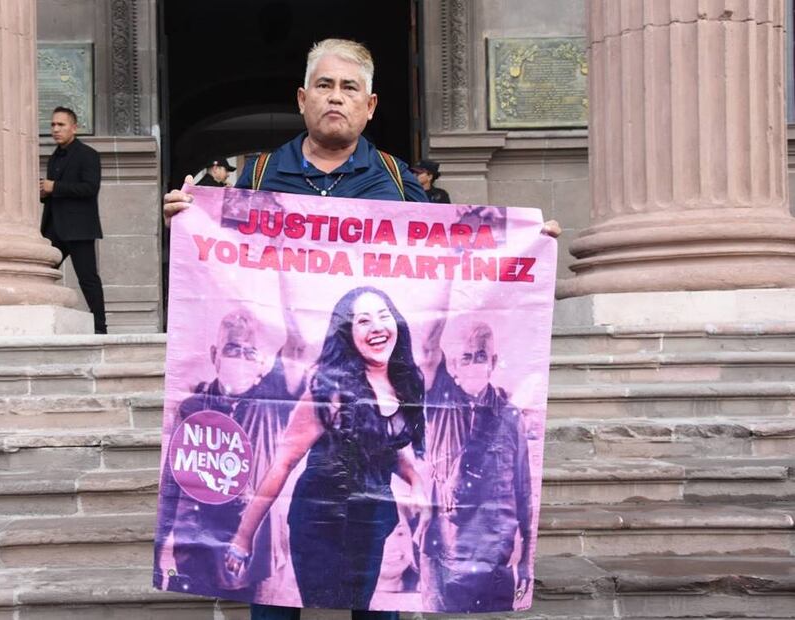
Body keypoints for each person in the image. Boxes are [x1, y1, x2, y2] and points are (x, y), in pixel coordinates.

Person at [162, 37, 561, 620]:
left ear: (370, 107)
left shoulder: (398, 184)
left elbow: (446, 268)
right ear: (302, 99)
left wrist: (524, 248)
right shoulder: (254, 176)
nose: (336, 98)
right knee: (276, 604)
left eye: (350, 88)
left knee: (379, 610)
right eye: (324, 86)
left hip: (372, 506)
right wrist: (188, 217)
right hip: (312, 489)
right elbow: (224, 266)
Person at [226, 286, 430, 615]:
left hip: (372, 518)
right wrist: (242, 539)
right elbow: (282, 464)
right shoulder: (329, 392)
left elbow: (390, 446)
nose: (376, 326)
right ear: (348, 334)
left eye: (383, 316)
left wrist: (415, 481)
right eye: (362, 321)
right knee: (283, 603)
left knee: (376, 606)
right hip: (320, 521)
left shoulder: (405, 382)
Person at [155, 300, 309, 600]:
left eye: (249, 352)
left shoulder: (272, 400)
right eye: (232, 349)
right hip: (198, 548)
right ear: (215, 355)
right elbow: (172, 482)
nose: (240, 358)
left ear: (262, 361)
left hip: (258, 555)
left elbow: (297, 344)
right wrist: (162, 546)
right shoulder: (193, 407)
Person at [420, 321, 533, 613]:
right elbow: (427, 345)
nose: (473, 364)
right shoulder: (437, 404)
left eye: (480, 356)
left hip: (494, 553)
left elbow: (524, 493)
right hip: (444, 551)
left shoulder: (509, 417)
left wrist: (527, 560)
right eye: (465, 357)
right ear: (453, 364)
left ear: (493, 361)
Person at [40, 106, 107, 334]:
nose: (56, 129)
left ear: (74, 128)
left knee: (88, 279)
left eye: (61, 125)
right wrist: (45, 194)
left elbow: (90, 188)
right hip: (53, 228)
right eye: (53, 125)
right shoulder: (53, 158)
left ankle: (100, 327)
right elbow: (55, 192)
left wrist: (54, 187)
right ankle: (42, 323)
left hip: (79, 228)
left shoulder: (88, 155)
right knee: (39, 275)